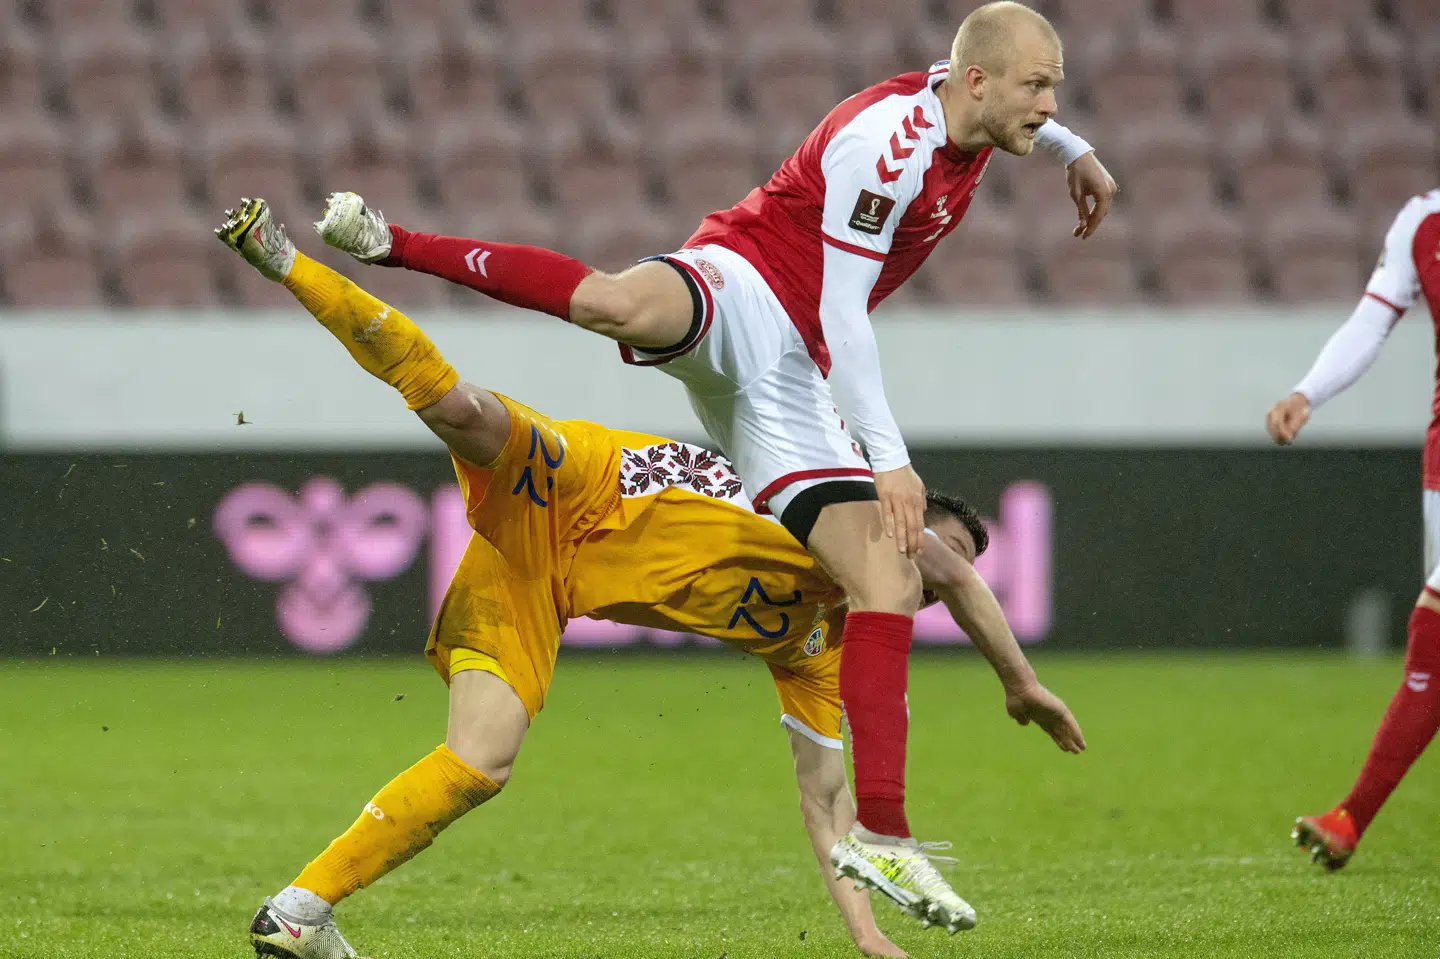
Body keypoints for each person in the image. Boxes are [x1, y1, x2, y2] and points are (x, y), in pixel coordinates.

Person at [314, 1, 1115, 922]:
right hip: (746, 283)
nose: (1049, 102)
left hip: (790, 384)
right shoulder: (885, 149)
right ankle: (395, 243)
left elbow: (1014, 106)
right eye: (1039, 86)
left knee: (887, 580)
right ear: (977, 81)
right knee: (615, 303)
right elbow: (848, 311)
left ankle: (883, 841)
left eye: (1054, 88)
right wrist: (890, 462)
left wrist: (1075, 151)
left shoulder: (980, 115)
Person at [216, 198, 1086, 959]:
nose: (929, 579)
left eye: (939, 580)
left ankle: (298, 911)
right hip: (579, 479)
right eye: (934, 553)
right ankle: (288, 261)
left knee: (481, 762)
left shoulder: (817, 640)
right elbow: (954, 575)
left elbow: (824, 802)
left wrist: (864, 932)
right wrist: (1022, 681)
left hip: (542, 582)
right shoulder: (836, 499)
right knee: (458, 408)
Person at [1266, 186, 1440, 870]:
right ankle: (1350, 817)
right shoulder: (1423, 220)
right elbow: (1372, 321)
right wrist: (1310, 390)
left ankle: (1352, 814)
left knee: (1432, 627)